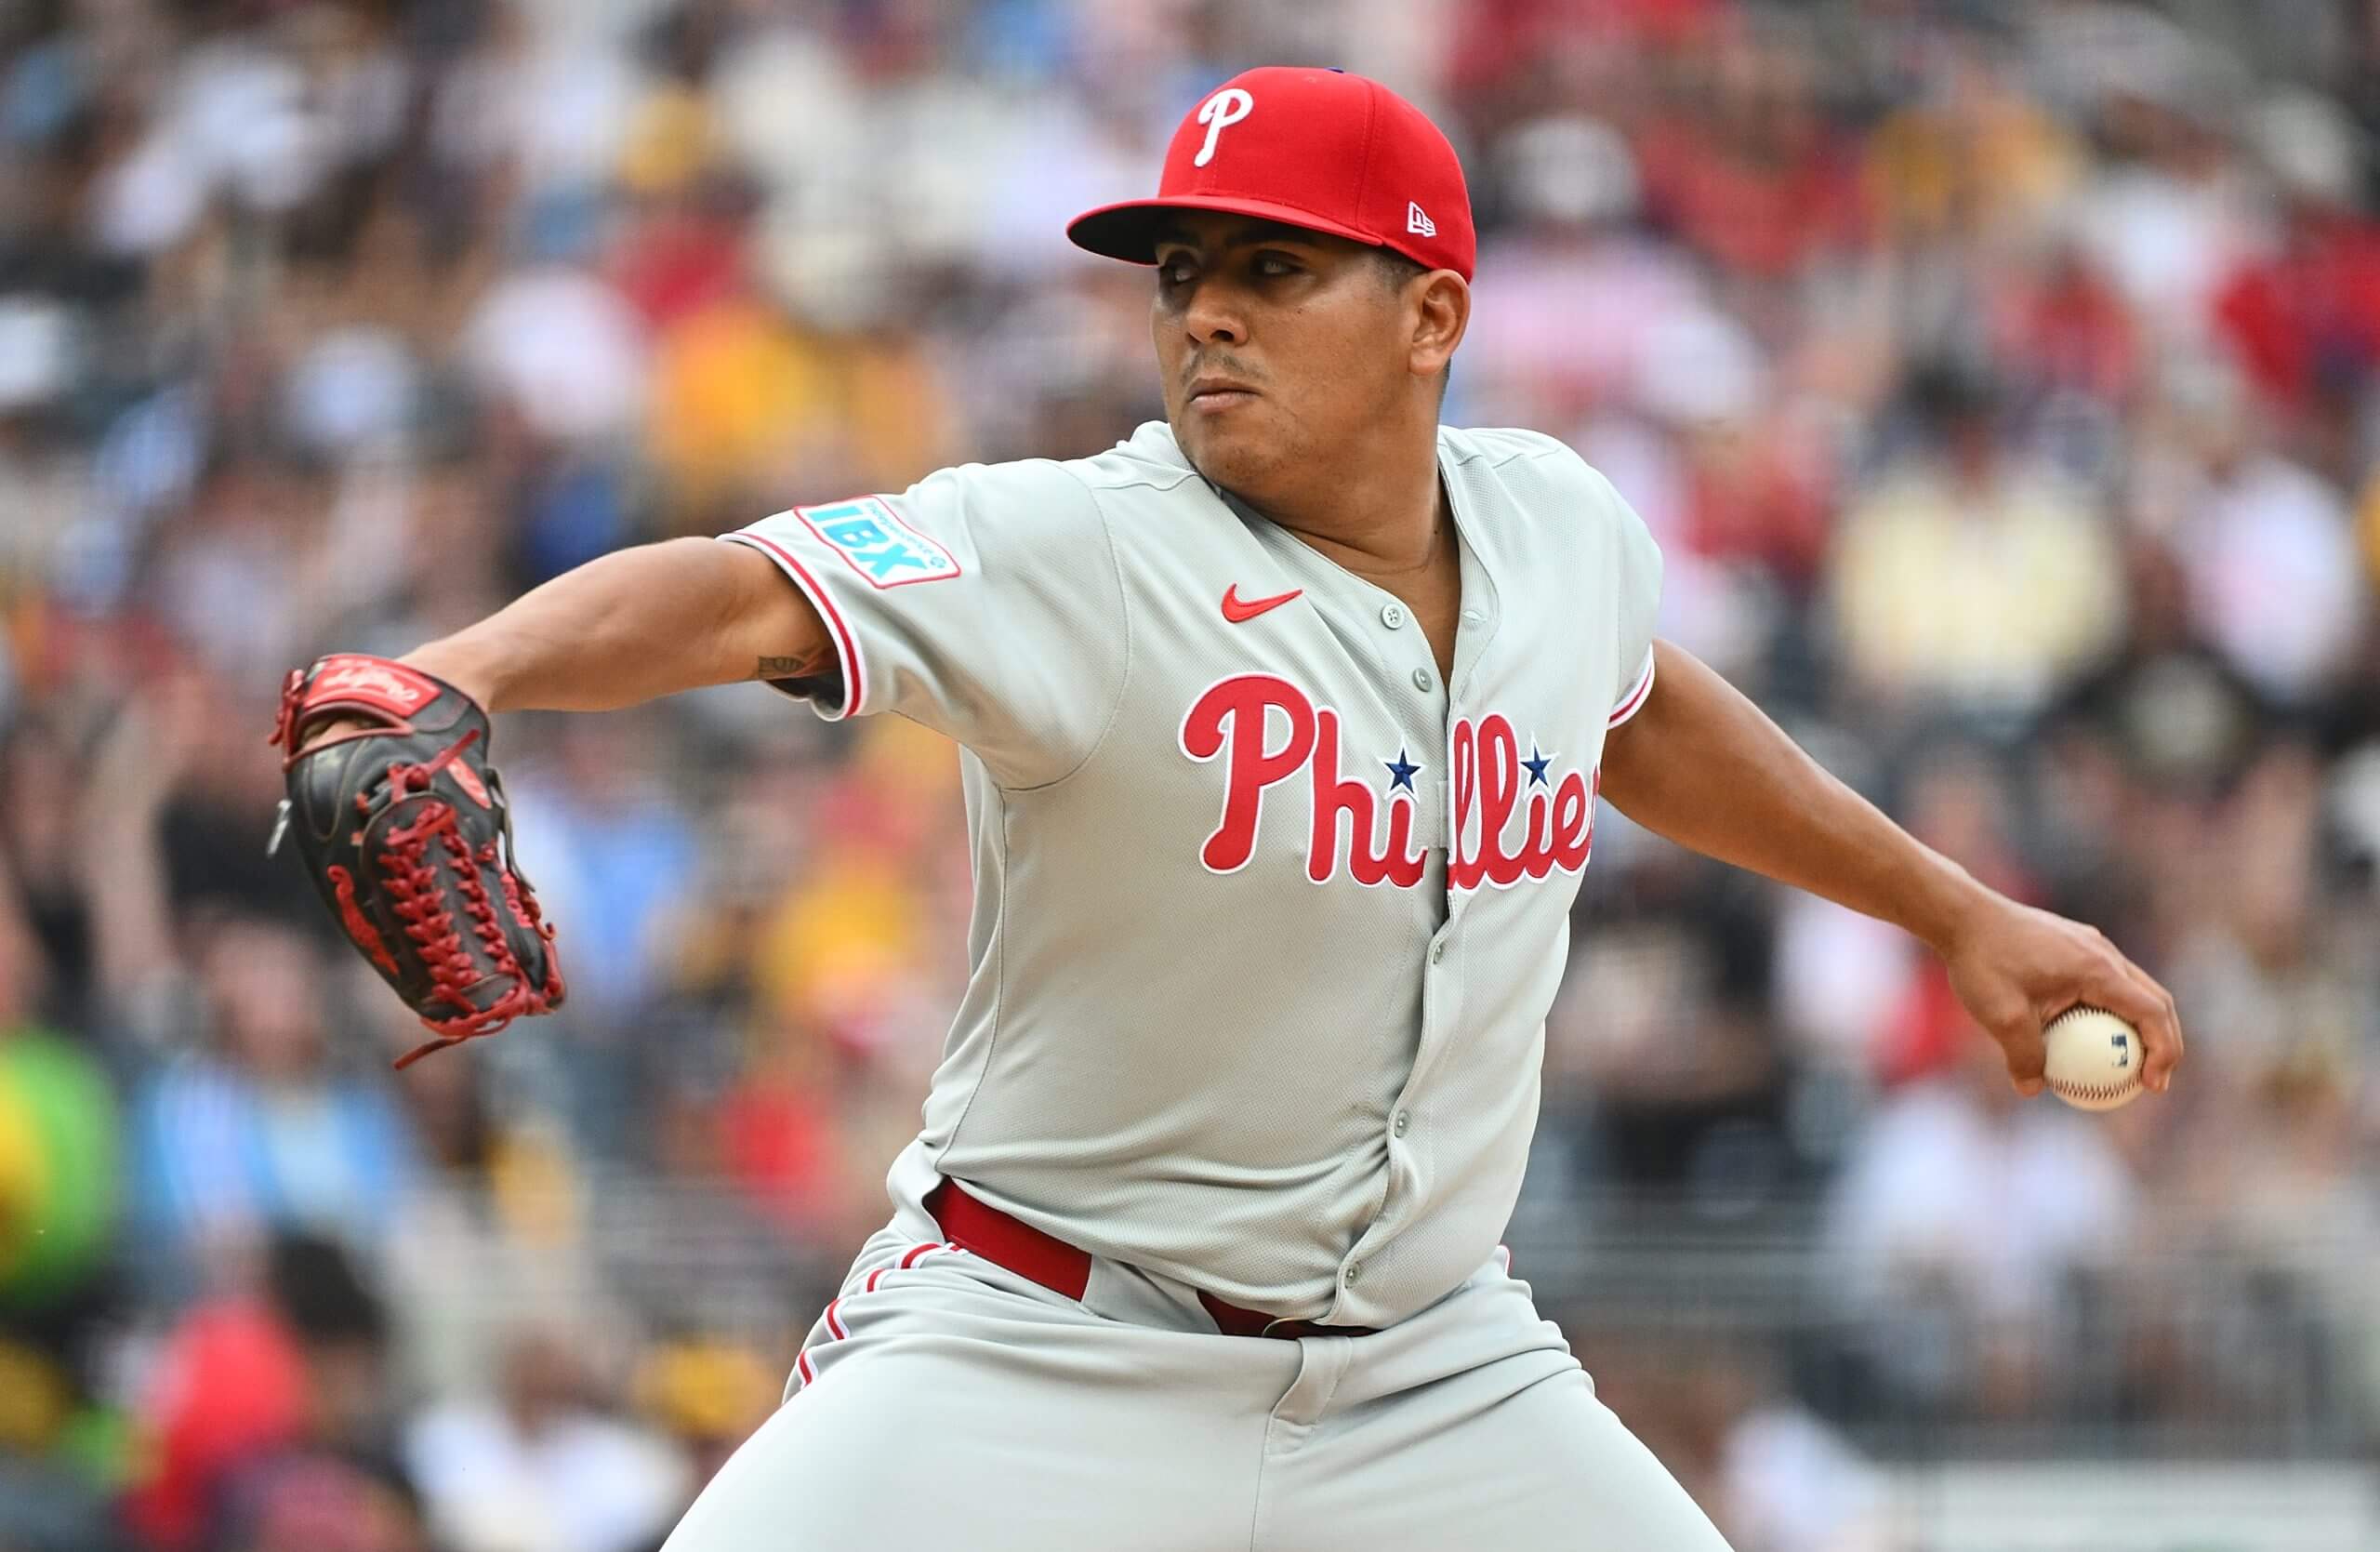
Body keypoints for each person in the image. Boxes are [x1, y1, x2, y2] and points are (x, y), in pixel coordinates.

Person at [286, 67, 2182, 1550]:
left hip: (1434, 1372)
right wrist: (459, 669)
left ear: (1429, 311)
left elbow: (1637, 712)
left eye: (1273, 270)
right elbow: (733, 590)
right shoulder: (1080, 546)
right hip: (1038, 1339)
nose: (1205, 316)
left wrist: (1956, 917)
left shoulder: (1554, 530)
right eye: (1183, 274)